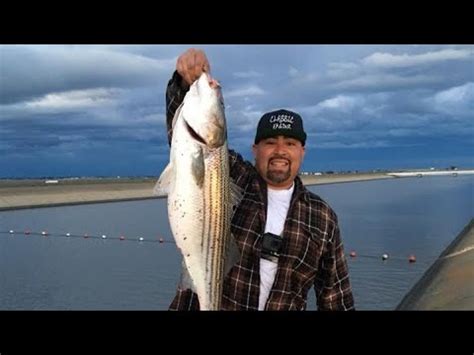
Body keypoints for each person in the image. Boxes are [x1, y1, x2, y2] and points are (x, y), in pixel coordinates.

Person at [166, 48, 354, 311]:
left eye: (290, 143)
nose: (280, 151)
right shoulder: (234, 176)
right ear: (255, 149)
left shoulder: (322, 218)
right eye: (269, 142)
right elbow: (185, 140)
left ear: (302, 151)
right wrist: (186, 81)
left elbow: (335, 296)